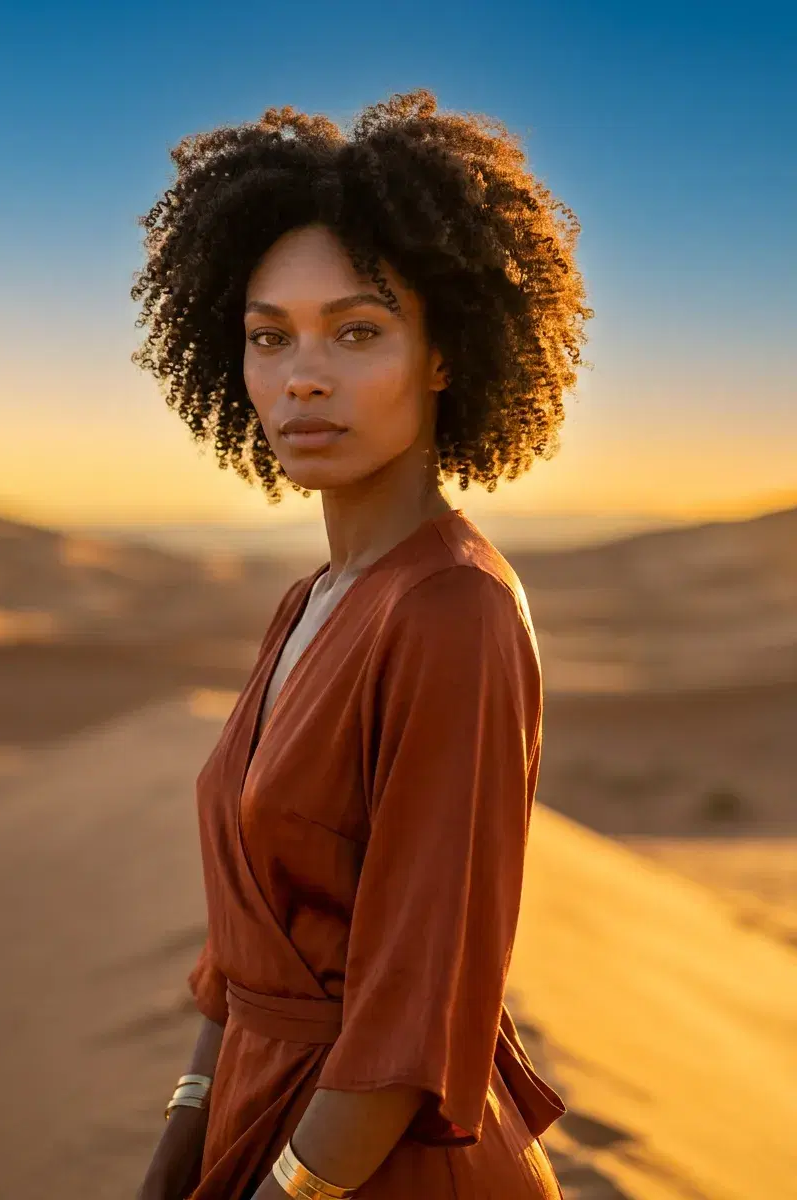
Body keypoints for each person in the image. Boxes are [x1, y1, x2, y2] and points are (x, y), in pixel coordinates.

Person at [132, 87, 591, 1200]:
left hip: (375, 1168)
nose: (302, 376)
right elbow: (246, 959)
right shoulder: (308, 602)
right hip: (258, 1119)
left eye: (357, 331)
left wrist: (286, 1188)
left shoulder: (454, 611)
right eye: (266, 337)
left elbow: (417, 1002)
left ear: (442, 356)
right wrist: (180, 1145)